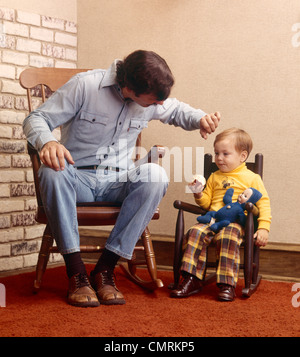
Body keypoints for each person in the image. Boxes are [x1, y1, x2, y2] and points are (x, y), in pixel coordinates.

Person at [23, 50, 220, 307]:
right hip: (77, 177)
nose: (158, 106)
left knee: (155, 174)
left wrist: (200, 118)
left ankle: (105, 269)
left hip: (118, 181)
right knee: (51, 171)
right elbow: (36, 118)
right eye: (151, 103)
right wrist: (47, 141)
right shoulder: (85, 85)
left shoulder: (151, 100)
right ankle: (76, 273)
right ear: (128, 88)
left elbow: (175, 110)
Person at [170, 128, 271, 301]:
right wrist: (199, 194)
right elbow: (207, 203)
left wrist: (264, 228)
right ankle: (191, 278)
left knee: (228, 236)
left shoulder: (252, 178)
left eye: (225, 153)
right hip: (213, 218)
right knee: (195, 232)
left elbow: (264, 203)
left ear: (242, 156)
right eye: (217, 153)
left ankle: (226, 284)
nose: (219, 158)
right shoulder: (214, 176)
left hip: (236, 223)